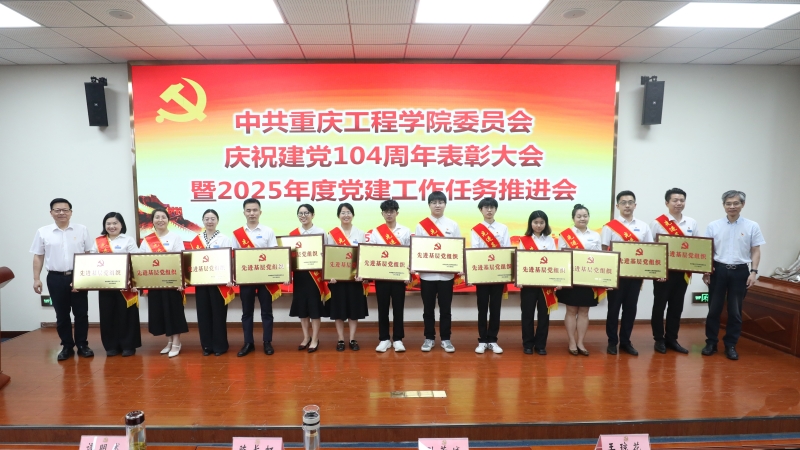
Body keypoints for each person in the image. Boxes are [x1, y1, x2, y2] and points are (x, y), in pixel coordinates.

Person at [702, 190, 765, 361]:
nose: (732, 206)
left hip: (740, 272)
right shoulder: (713, 226)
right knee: (713, 309)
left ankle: (730, 345)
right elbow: (707, 250)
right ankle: (711, 343)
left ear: (742, 204)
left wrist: (754, 272)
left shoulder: (752, 226)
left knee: (735, 311)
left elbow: (756, 250)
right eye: (728, 203)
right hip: (718, 270)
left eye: (736, 203)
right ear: (723, 205)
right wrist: (706, 270)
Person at [30, 198, 94, 361]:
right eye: (57, 210)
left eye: (65, 210)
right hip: (55, 278)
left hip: (78, 276)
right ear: (51, 213)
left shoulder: (82, 230)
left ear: (71, 212)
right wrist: (36, 278)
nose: (61, 213)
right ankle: (67, 346)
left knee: (81, 313)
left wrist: (81, 277)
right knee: (61, 314)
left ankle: (82, 345)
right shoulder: (43, 232)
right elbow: (38, 256)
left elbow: (89, 254)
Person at [601, 191, 654, 356]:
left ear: (635, 205)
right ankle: (612, 342)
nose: (627, 205)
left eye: (630, 202)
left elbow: (650, 249)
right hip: (616, 276)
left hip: (635, 275)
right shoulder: (609, 227)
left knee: (630, 309)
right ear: (617, 205)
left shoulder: (644, 226)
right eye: (623, 202)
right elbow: (604, 252)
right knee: (613, 309)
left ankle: (625, 341)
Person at [650, 188, 699, 355]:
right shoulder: (657, 223)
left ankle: (672, 338)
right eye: (675, 200)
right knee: (659, 306)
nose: (679, 203)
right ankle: (659, 339)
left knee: (676, 307)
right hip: (663, 273)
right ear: (667, 203)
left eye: (682, 200)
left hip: (683, 272)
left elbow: (697, 246)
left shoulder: (691, 223)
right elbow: (652, 249)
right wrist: (658, 272)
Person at [415, 191, 462, 353]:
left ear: (445, 205)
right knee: (428, 309)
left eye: (440, 202)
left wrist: (458, 267)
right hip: (427, 276)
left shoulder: (452, 225)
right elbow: (418, 249)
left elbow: (457, 249)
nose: (437, 205)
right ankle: (429, 338)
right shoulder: (422, 225)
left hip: (446, 276)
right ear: (429, 205)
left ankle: (446, 339)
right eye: (434, 202)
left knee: (445, 309)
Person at [231, 198, 279, 357]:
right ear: (244, 212)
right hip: (246, 278)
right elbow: (233, 257)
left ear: (260, 212)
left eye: (255, 210)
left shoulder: (268, 231)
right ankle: (248, 343)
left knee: (267, 312)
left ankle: (267, 342)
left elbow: (274, 255)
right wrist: (234, 275)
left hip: (265, 278)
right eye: (249, 210)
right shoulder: (237, 234)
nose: (252, 213)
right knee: (247, 312)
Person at [139, 207, 188, 358]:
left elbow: (181, 259)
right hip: (155, 283)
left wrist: (181, 281)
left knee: (174, 311)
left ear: (168, 220)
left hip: (172, 283)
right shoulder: (147, 240)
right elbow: (140, 261)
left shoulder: (175, 237)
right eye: (157, 217)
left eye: (163, 217)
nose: (160, 220)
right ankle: (169, 341)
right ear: (152, 221)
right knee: (161, 312)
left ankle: (177, 342)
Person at [90, 212, 141, 357]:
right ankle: (111, 346)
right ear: (104, 225)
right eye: (108, 223)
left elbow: (136, 260)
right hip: (105, 285)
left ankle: (128, 345)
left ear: (121, 225)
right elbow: (92, 261)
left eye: (115, 223)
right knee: (108, 314)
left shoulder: (128, 240)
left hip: (125, 285)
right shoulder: (98, 241)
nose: (111, 226)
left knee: (127, 315)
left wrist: (134, 280)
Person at [366, 200, 410, 353]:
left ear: (397, 212)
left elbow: (409, 254)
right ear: (382, 214)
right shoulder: (376, 232)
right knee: (382, 308)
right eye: (386, 211)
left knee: (398, 308)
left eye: (392, 211)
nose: (389, 214)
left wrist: (408, 274)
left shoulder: (405, 231)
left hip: (399, 277)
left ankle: (398, 339)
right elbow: (372, 253)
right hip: (382, 277)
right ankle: (384, 339)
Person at [558, 204, 602, 356]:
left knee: (584, 311)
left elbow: (600, 258)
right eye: (579, 216)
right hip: (571, 277)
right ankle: (571, 341)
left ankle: (580, 342)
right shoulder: (565, 235)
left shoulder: (595, 235)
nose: (582, 218)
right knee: (571, 310)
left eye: (585, 216)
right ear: (573, 218)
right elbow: (561, 257)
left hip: (588, 277)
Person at [189, 209, 234, 356]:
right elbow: (191, 261)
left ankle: (220, 346)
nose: (210, 221)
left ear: (217, 221)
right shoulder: (196, 240)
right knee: (203, 314)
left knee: (218, 314)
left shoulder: (224, 239)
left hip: (219, 284)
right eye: (207, 219)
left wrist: (229, 277)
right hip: (202, 282)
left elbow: (229, 260)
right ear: (203, 221)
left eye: (213, 218)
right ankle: (207, 346)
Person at [470, 197, 511, 354]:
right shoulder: (476, 229)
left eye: (492, 207)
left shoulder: (503, 228)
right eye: (486, 207)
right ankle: (482, 340)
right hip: (482, 275)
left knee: (495, 308)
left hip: (498, 275)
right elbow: (475, 251)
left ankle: (493, 339)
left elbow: (507, 250)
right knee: (482, 308)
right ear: (481, 210)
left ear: (495, 209)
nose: (489, 210)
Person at [325, 203, 369, 351]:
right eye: (343, 212)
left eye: (348, 212)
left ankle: (352, 339)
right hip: (337, 280)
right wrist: (330, 275)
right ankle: (340, 339)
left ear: (353, 215)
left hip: (354, 280)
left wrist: (362, 274)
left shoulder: (360, 233)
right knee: (339, 311)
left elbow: (363, 256)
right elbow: (329, 257)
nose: (346, 215)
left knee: (353, 311)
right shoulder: (332, 234)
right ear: (338, 215)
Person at [288, 204, 328, 353]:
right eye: (300, 213)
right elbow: (289, 257)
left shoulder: (321, 232)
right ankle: (306, 337)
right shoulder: (293, 234)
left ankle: (315, 338)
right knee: (302, 308)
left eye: (306, 213)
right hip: (300, 276)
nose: (303, 216)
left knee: (314, 308)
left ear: (313, 214)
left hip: (315, 277)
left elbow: (327, 254)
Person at [517, 210, 556, 355]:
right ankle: (527, 344)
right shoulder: (524, 240)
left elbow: (555, 261)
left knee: (544, 316)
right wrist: (519, 279)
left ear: (545, 224)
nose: (538, 225)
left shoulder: (550, 240)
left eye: (541, 222)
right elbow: (520, 261)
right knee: (527, 314)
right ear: (530, 223)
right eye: (535, 222)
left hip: (545, 284)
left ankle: (540, 345)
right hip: (528, 283)